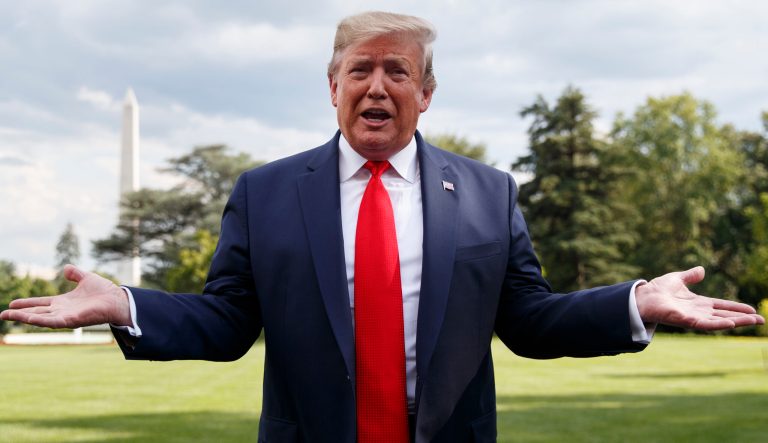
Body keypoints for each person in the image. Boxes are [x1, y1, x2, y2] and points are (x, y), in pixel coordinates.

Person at [1, 11, 763, 443]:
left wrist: (635, 302)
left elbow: (528, 319)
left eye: (397, 71)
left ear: (425, 93)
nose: (376, 85)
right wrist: (126, 303)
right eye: (360, 69)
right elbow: (229, 321)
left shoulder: (488, 195)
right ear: (331, 86)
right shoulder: (264, 193)